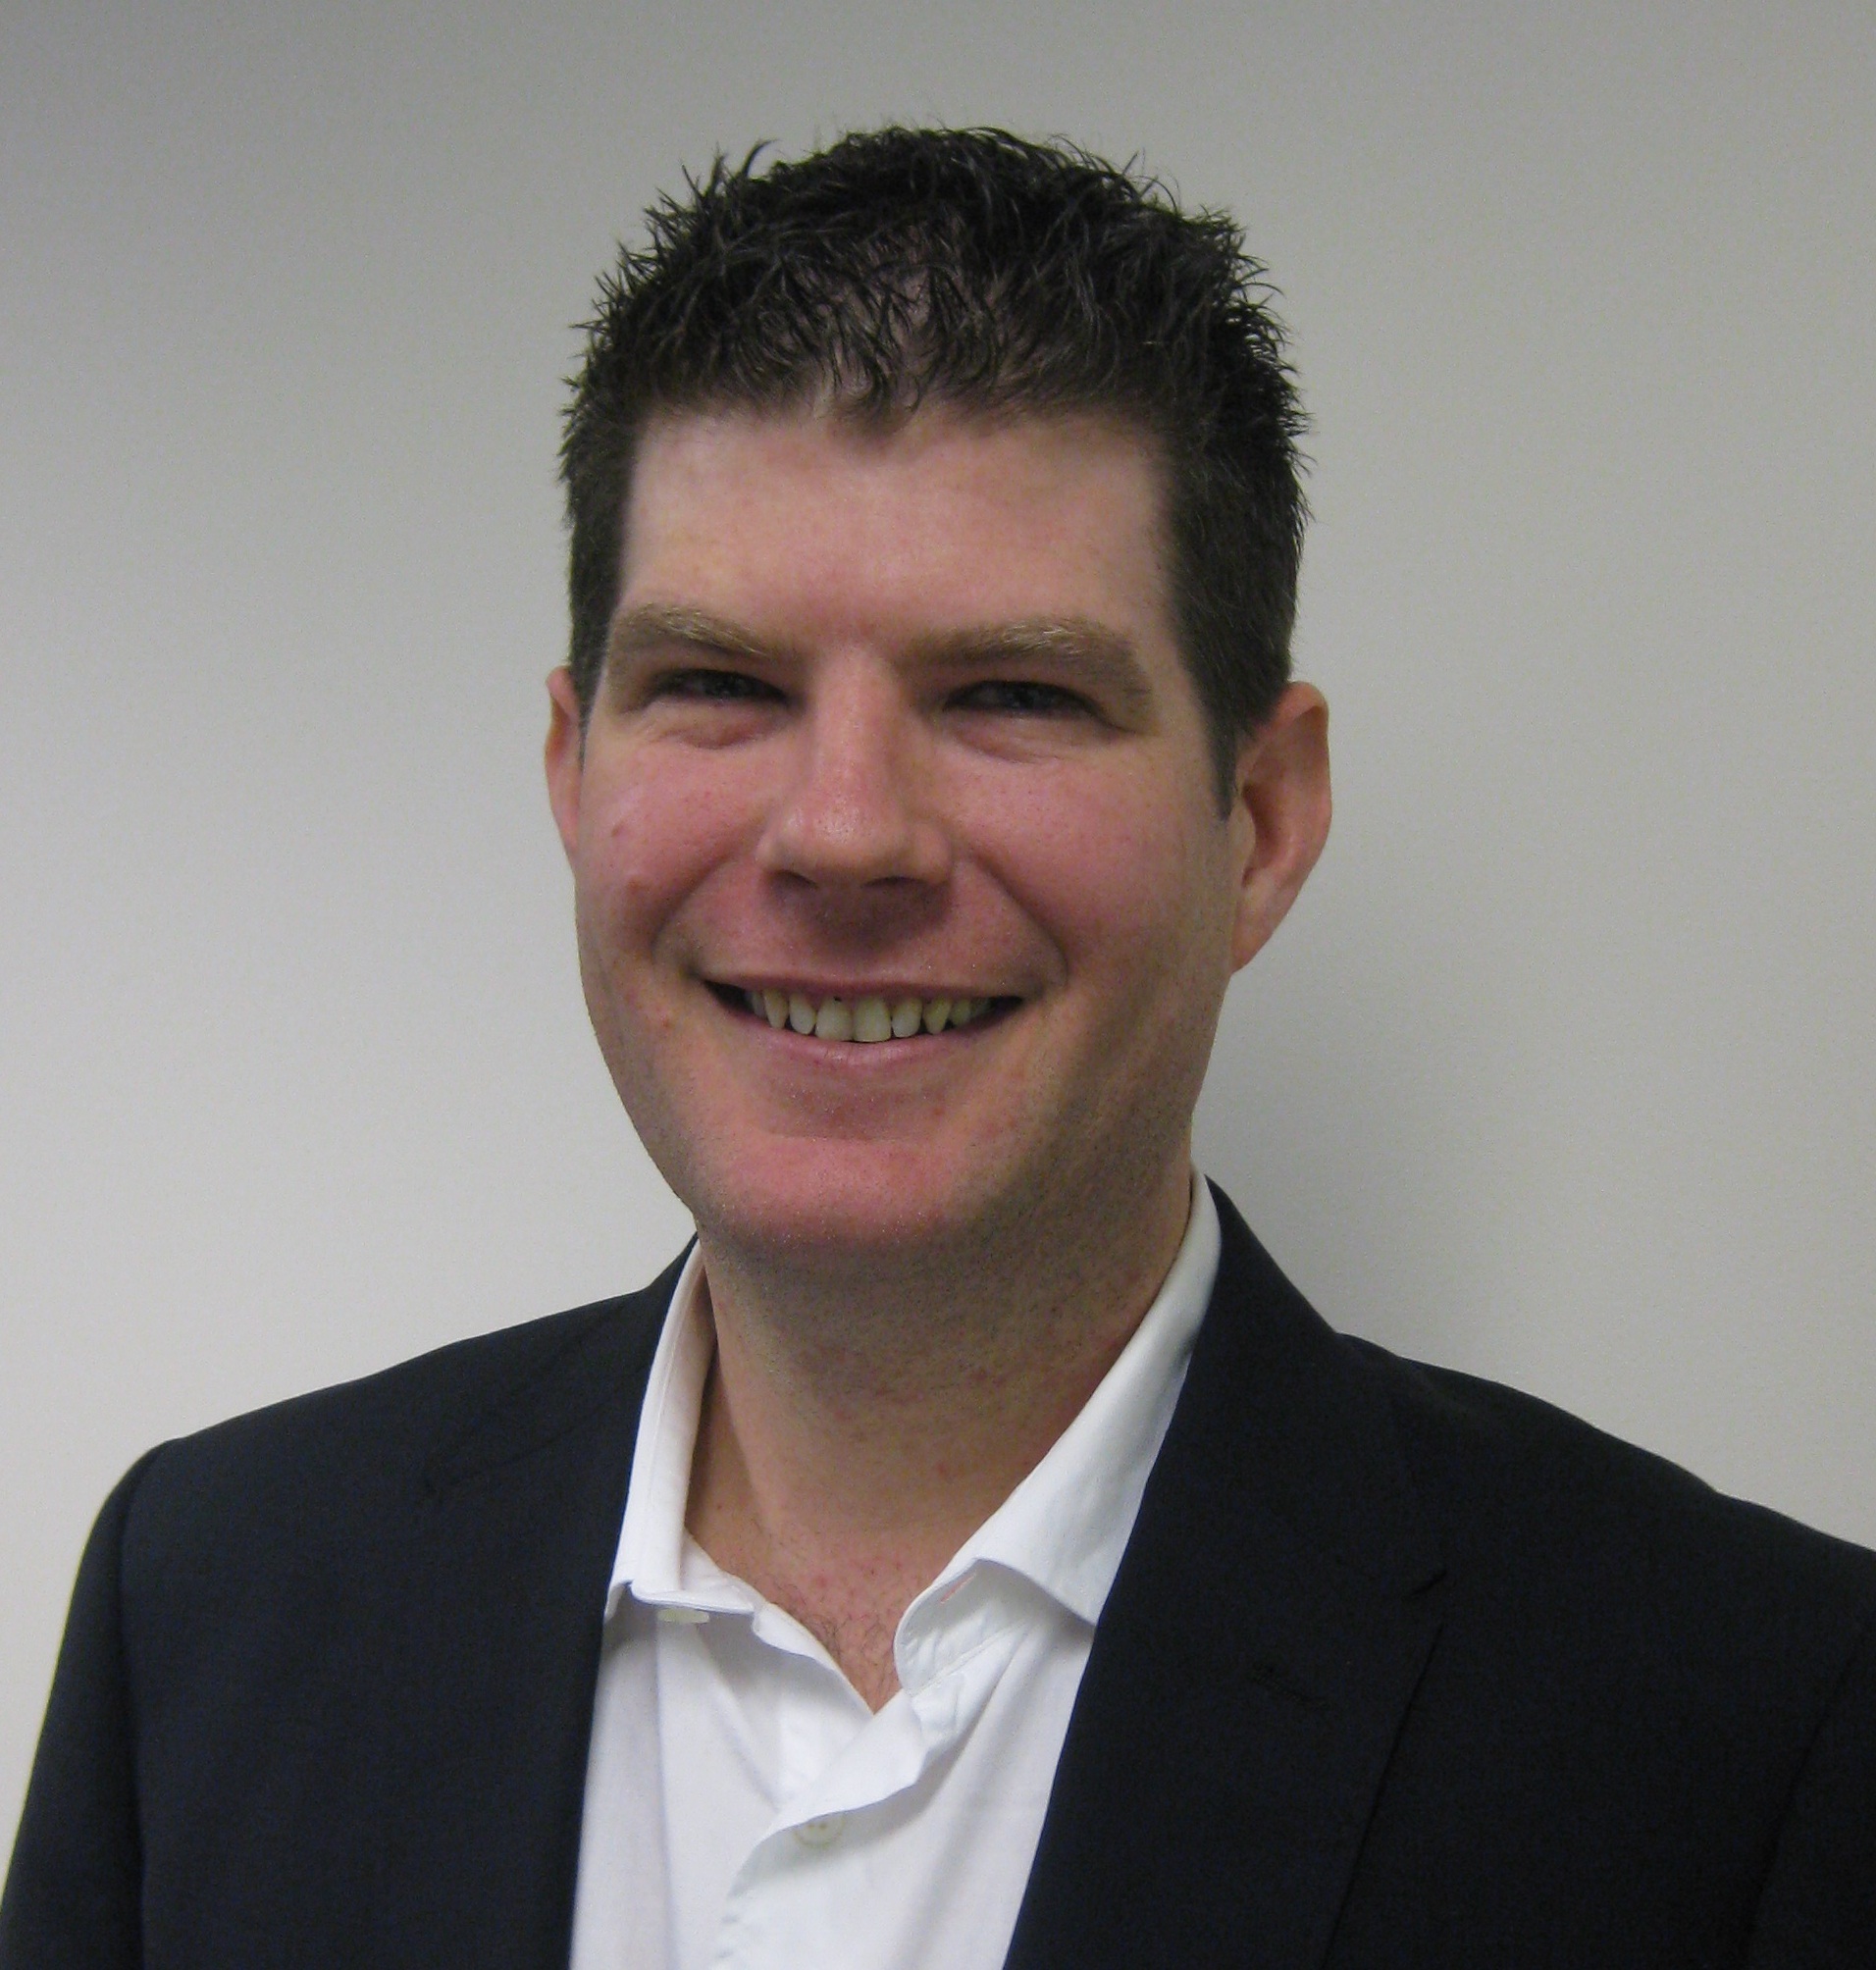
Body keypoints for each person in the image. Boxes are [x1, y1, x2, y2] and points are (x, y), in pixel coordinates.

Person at [3, 127, 1872, 1970]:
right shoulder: (212, 1605)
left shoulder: (1746, 1737)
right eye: (719, 685)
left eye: (1011, 696)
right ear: (574, 772)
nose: (843, 835)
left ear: (1261, 821)